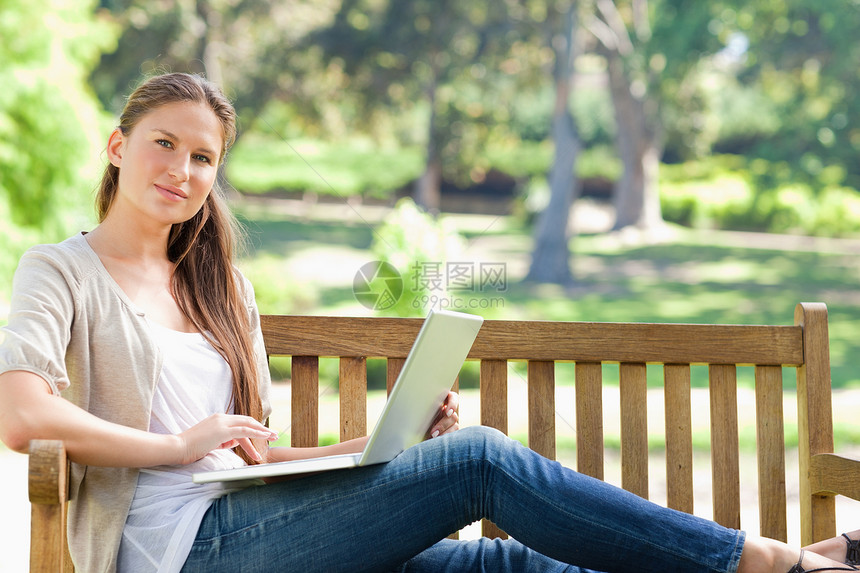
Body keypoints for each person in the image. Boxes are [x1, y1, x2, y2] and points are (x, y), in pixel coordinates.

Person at [0, 71, 856, 573]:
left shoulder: (221, 286)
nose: (182, 170)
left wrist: (387, 447)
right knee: (480, 458)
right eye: (164, 143)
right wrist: (177, 445)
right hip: (180, 550)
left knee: (505, 563)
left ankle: (789, 566)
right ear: (118, 146)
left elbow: (253, 457)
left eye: (203, 157)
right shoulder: (61, 270)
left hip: (261, 523)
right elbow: (22, 414)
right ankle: (771, 560)